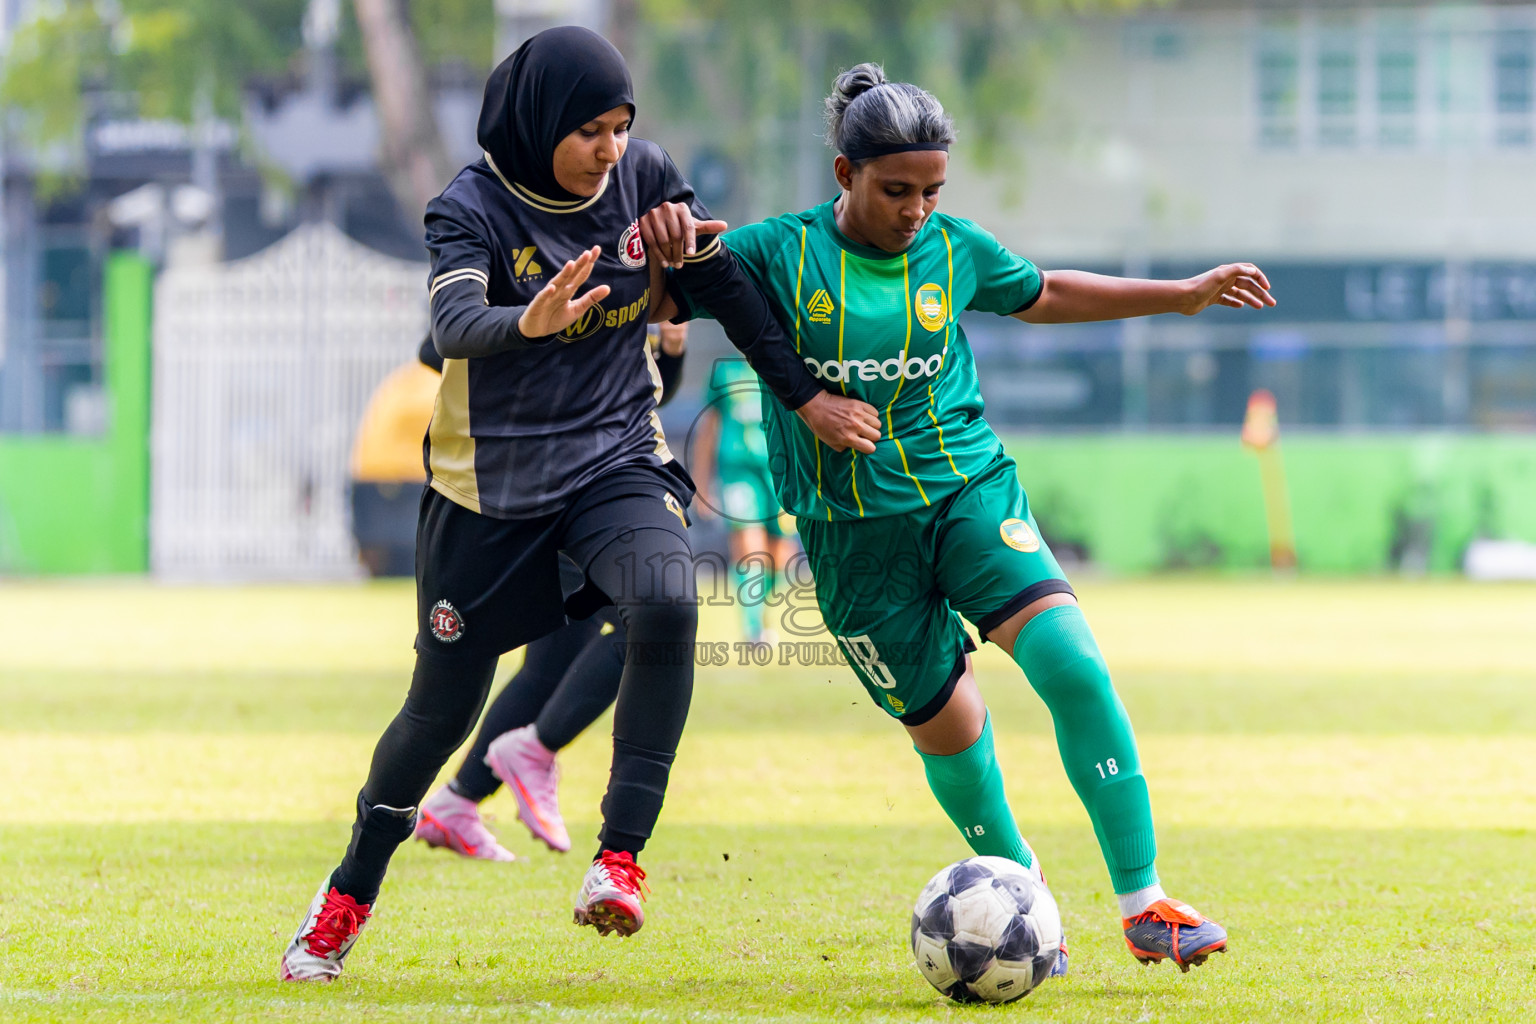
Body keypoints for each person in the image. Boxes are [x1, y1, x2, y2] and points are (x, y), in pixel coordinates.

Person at [280, 28, 879, 983]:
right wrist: (530, 319)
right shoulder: (468, 205)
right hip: (490, 495)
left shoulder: (645, 180)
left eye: (621, 126)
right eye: (590, 131)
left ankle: (619, 861)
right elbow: (452, 324)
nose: (610, 149)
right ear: (537, 126)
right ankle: (349, 889)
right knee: (437, 719)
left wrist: (806, 397)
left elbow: (728, 291)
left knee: (669, 598)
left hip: (614, 464)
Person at [656, 63, 1275, 973]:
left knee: (1071, 659)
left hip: (966, 491)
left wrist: (1177, 294)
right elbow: (673, 295)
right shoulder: (774, 253)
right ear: (844, 176)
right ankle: (1023, 894)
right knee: (950, 728)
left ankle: (1148, 903)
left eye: (932, 190)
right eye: (895, 189)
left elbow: (1045, 293)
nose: (916, 209)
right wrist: (663, 244)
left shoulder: (954, 249)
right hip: (852, 536)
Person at [413, 322, 690, 861]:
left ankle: (457, 800)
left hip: (595, 487)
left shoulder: (630, 286)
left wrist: (670, 348)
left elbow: (650, 396)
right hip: (539, 489)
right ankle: (532, 750)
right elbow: (436, 349)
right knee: (645, 625)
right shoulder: (530, 267)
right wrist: (537, 348)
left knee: (556, 658)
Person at [691, 358, 799, 645]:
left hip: (778, 472)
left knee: (781, 556)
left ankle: (765, 620)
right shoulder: (724, 371)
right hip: (738, 473)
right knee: (750, 549)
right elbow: (708, 430)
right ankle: (753, 632)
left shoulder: (782, 362)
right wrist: (701, 485)